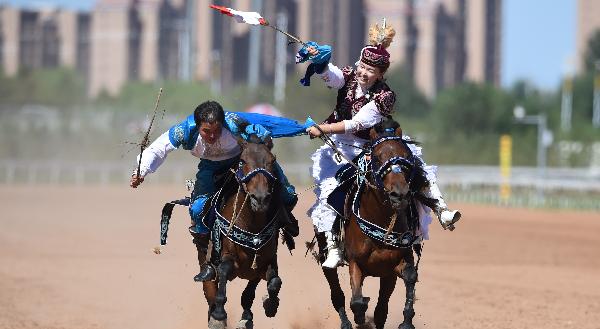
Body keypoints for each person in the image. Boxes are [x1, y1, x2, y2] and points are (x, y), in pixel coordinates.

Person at [296, 23, 461, 269]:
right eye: (362, 66)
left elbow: (357, 123)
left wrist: (323, 128)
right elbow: (331, 77)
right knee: (328, 189)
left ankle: (441, 209)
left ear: (380, 74)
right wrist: (320, 60)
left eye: (370, 70)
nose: (363, 72)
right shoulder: (349, 76)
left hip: (372, 145)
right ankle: (332, 245)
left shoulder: (385, 96)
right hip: (339, 147)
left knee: (415, 164)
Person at [130, 100, 304, 281]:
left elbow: (268, 125)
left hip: (243, 162)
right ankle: (208, 261)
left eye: (217, 131)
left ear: (223, 124)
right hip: (210, 169)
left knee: (288, 195)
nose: (212, 136)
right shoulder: (184, 130)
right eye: (206, 131)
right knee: (197, 209)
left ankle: (285, 223)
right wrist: (140, 171)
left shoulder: (235, 122)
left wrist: (303, 129)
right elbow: (158, 149)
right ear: (198, 127)